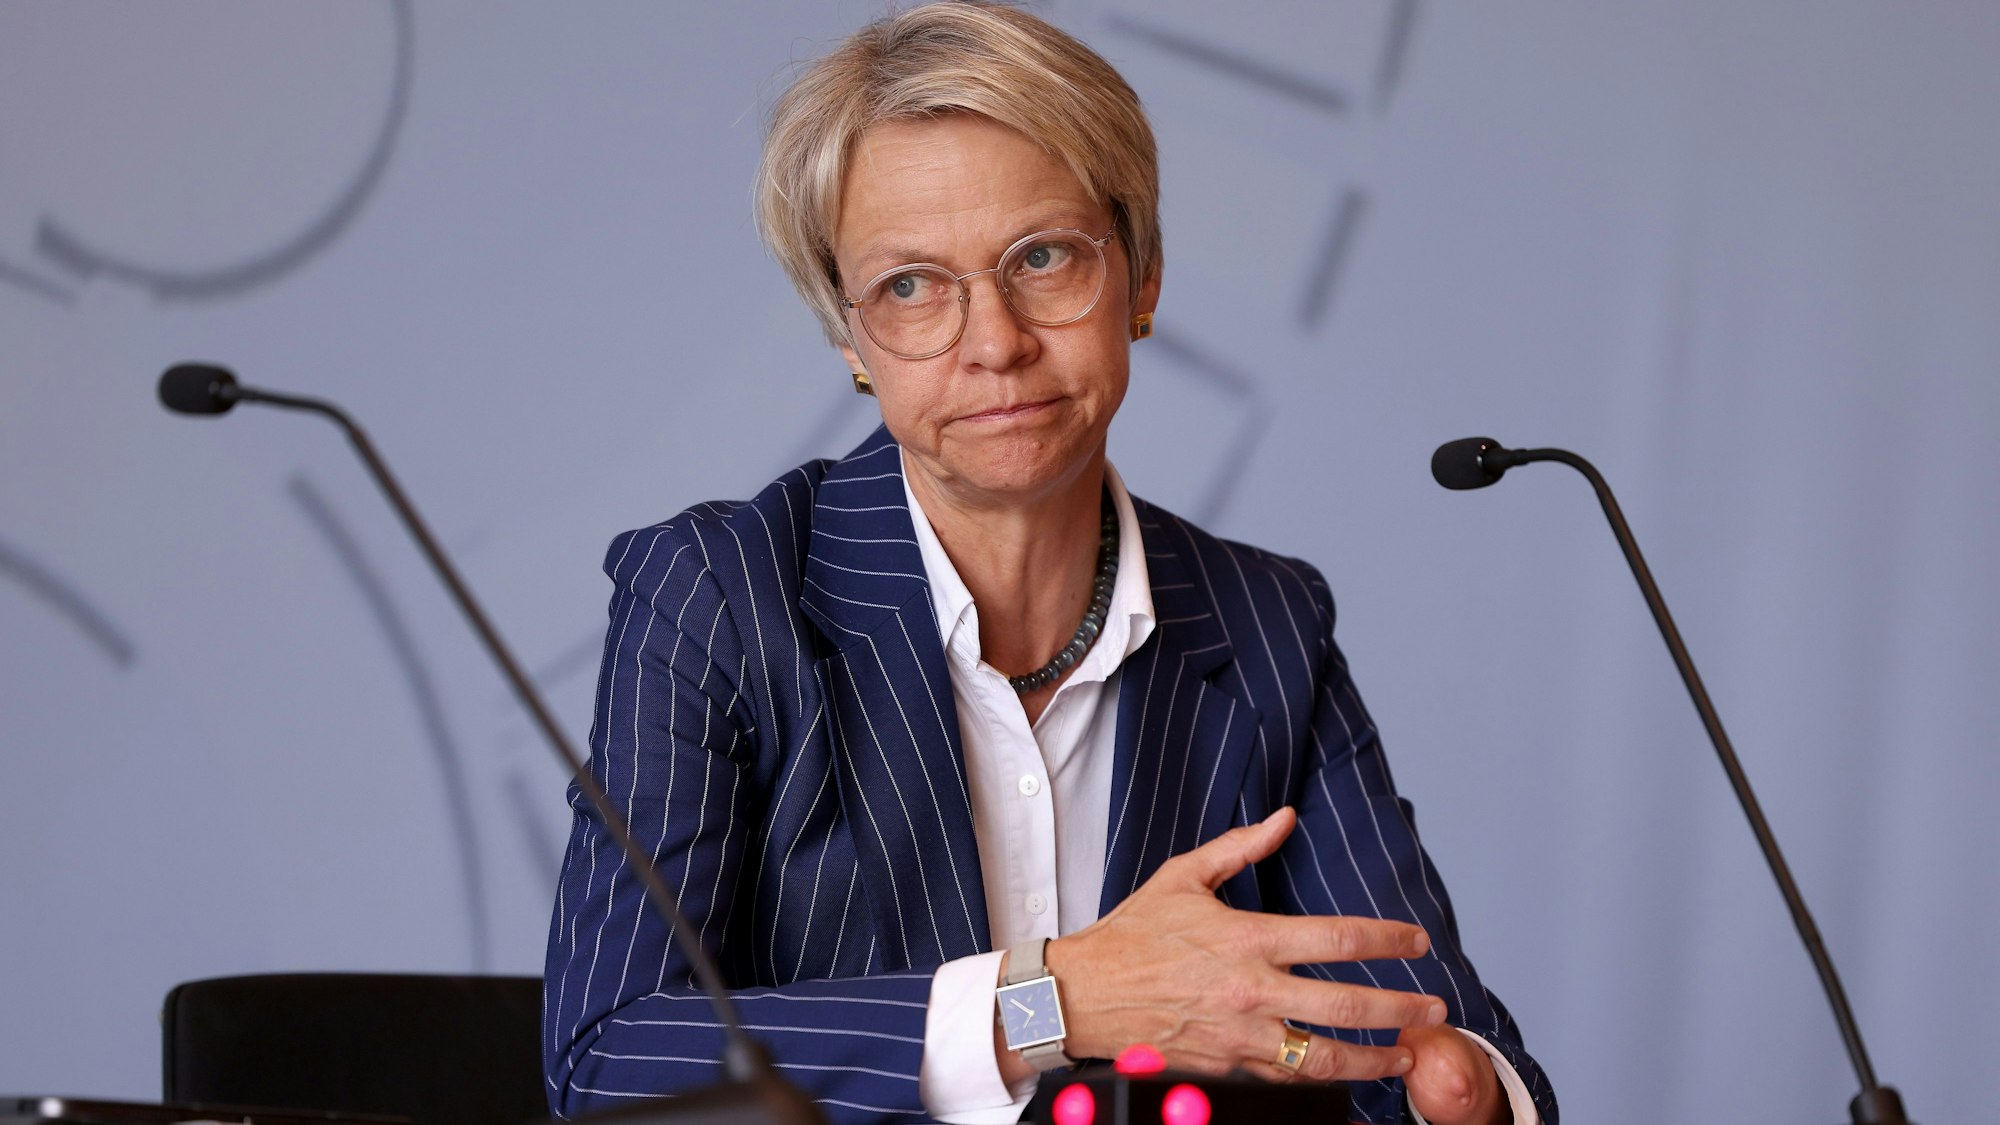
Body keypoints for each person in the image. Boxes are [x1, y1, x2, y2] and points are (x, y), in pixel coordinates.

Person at [544, 4, 1556, 1123]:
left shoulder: (1265, 622)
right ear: (849, 341)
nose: (994, 342)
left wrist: (1452, 1089)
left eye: (1042, 258)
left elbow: (1441, 1038)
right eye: (911, 287)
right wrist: (1053, 1003)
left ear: (1143, 278)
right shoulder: (719, 597)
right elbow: (604, 1060)